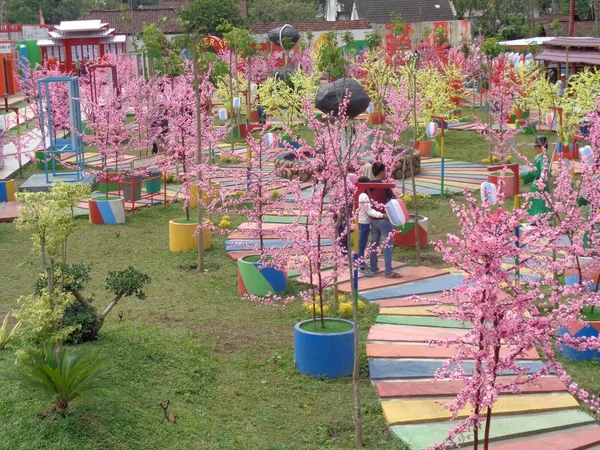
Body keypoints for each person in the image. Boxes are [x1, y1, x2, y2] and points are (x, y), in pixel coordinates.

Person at [367, 162, 402, 278]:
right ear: (382, 172)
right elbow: (393, 200)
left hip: (373, 218)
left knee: (374, 242)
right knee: (388, 244)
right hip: (384, 218)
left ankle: (373, 266)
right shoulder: (384, 186)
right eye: (385, 171)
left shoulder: (368, 186)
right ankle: (388, 271)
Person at [357, 176, 387, 277]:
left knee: (361, 245)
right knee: (361, 245)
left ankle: (361, 263)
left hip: (362, 222)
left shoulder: (361, 195)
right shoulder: (364, 196)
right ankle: (361, 266)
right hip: (364, 223)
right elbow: (369, 211)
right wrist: (382, 215)